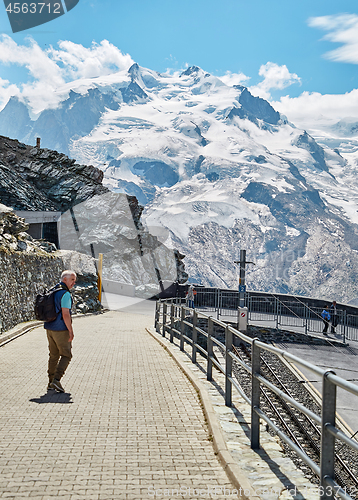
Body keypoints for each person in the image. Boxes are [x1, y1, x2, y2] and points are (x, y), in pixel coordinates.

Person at [44, 270, 76, 393]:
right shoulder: (65, 294)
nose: (74, 282)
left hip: (49, 327)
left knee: (53, 355)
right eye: (72, 279)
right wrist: (70, 330)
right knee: (66, 355)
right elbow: (65, 314)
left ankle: (50, 382)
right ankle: (56, 380)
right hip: (61, 329)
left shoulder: (53, 290)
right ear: (64, 279)